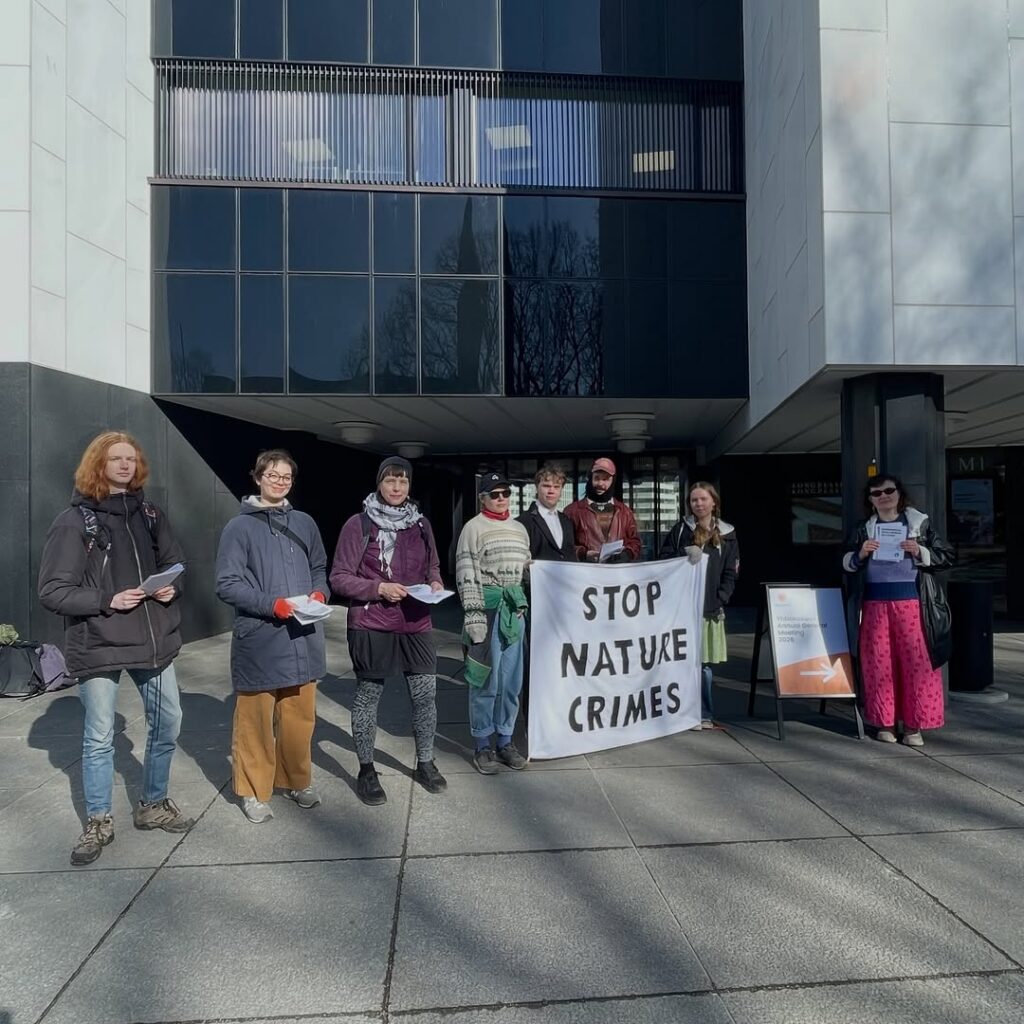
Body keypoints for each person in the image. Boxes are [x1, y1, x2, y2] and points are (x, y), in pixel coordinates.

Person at [38, 431, 194, 866]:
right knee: (100, 737)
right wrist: (106, 599)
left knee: (168, 724)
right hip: (99, 642)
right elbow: (52, 590)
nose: (125, 464)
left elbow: (175, 565)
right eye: (115, 458)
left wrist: (171, 589)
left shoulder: (149, 513)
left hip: (154, 641)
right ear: (98, 465)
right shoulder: (74, 522)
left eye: (131, 458)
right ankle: (99, 820)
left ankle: (152, 804)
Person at [215, 450, 328, 822]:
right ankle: (252, 791)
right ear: (258, 477)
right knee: (255, 723)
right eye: (273, 475)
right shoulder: (239, 528)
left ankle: (297, 781)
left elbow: (318, 567)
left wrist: (319, 593)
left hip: (302, 637)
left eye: (286, 477)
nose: (280, 482)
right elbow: (226, 584)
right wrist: (271, 604)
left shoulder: (306, 522)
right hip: (261, 638)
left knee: (299, 720)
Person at [329, 457, 447, 805]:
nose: (397, 488)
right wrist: (378, 589)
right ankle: (366, 770)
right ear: (379, 483)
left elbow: (434, 566)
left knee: (426, 694)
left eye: (403, 482)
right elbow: (339, 577)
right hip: (372, 621)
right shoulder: (359, 524)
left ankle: (425, 762)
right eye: (391, 481)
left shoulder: (421, 524)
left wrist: (436, 581)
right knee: (368, 696)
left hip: (416, 619)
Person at [843, 473, 953, 746]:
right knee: (879, 663)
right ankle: (885, 722)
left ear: (899, 493)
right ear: (870, 500)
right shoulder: (862, 528)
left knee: (917, 664)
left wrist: (920, 551)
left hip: (914, 604)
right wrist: (860, 555)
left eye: (888, 491)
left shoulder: (919, 523)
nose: (883, 496)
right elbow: (844, 562)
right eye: (876, 493)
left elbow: (946, 556)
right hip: (874, 605)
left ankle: (914, 726)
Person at [455, 471, 531, 774]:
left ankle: (506, 740)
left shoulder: (519, 529)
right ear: (482, 497)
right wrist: (474, 620)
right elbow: (466, 575)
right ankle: (483, 743)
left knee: (511, 683)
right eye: (494, 494)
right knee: (486, 680)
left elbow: (524, 569)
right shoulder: (472, 529)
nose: (501, 499)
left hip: (514, 613)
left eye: (505, 493)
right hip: (486, 610)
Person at [660, 481, 739, 729]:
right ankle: (681, 713)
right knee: (682, 664)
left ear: (713, 501)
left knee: (703, 666)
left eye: (703, 499)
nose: (699, 504)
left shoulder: (728, 534)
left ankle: (703, 714)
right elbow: (664, 560)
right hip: (682, 608)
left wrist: (721, 597)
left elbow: (731, 571)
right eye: (694, 500)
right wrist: (684, 554)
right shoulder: (681, 530)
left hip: (709, 609)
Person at [564, 457, 643, 562]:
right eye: (596, 478)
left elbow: (635, 542)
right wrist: (584, 554)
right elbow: (563, 545)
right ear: (590, 479)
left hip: (616, 574)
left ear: (613, 481)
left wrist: (627, 554)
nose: (600, 484)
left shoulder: (625, 512)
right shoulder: (572, 511)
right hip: (585, 574)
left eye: (605, 479)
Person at [517, 462, 578, 563]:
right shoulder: (523, 521)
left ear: (561, 490)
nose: (551, 491)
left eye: (556, 487)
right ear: (537, 487)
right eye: (546, 486)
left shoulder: (567, 521)